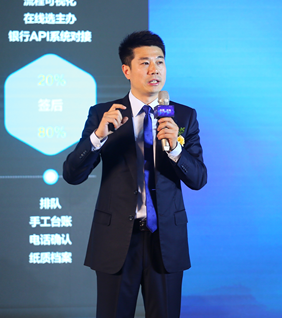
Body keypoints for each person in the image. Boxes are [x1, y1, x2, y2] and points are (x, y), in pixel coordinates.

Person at [63, 30, 207, 318]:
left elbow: (198, 179)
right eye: (145, 63)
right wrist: (97, 136)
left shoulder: (183, 116)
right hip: (116, 240)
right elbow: (72, 174)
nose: (155, 69)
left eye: (160, 62)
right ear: (126, 70)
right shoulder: (104, 114)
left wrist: (175, 149)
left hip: (165, 242)